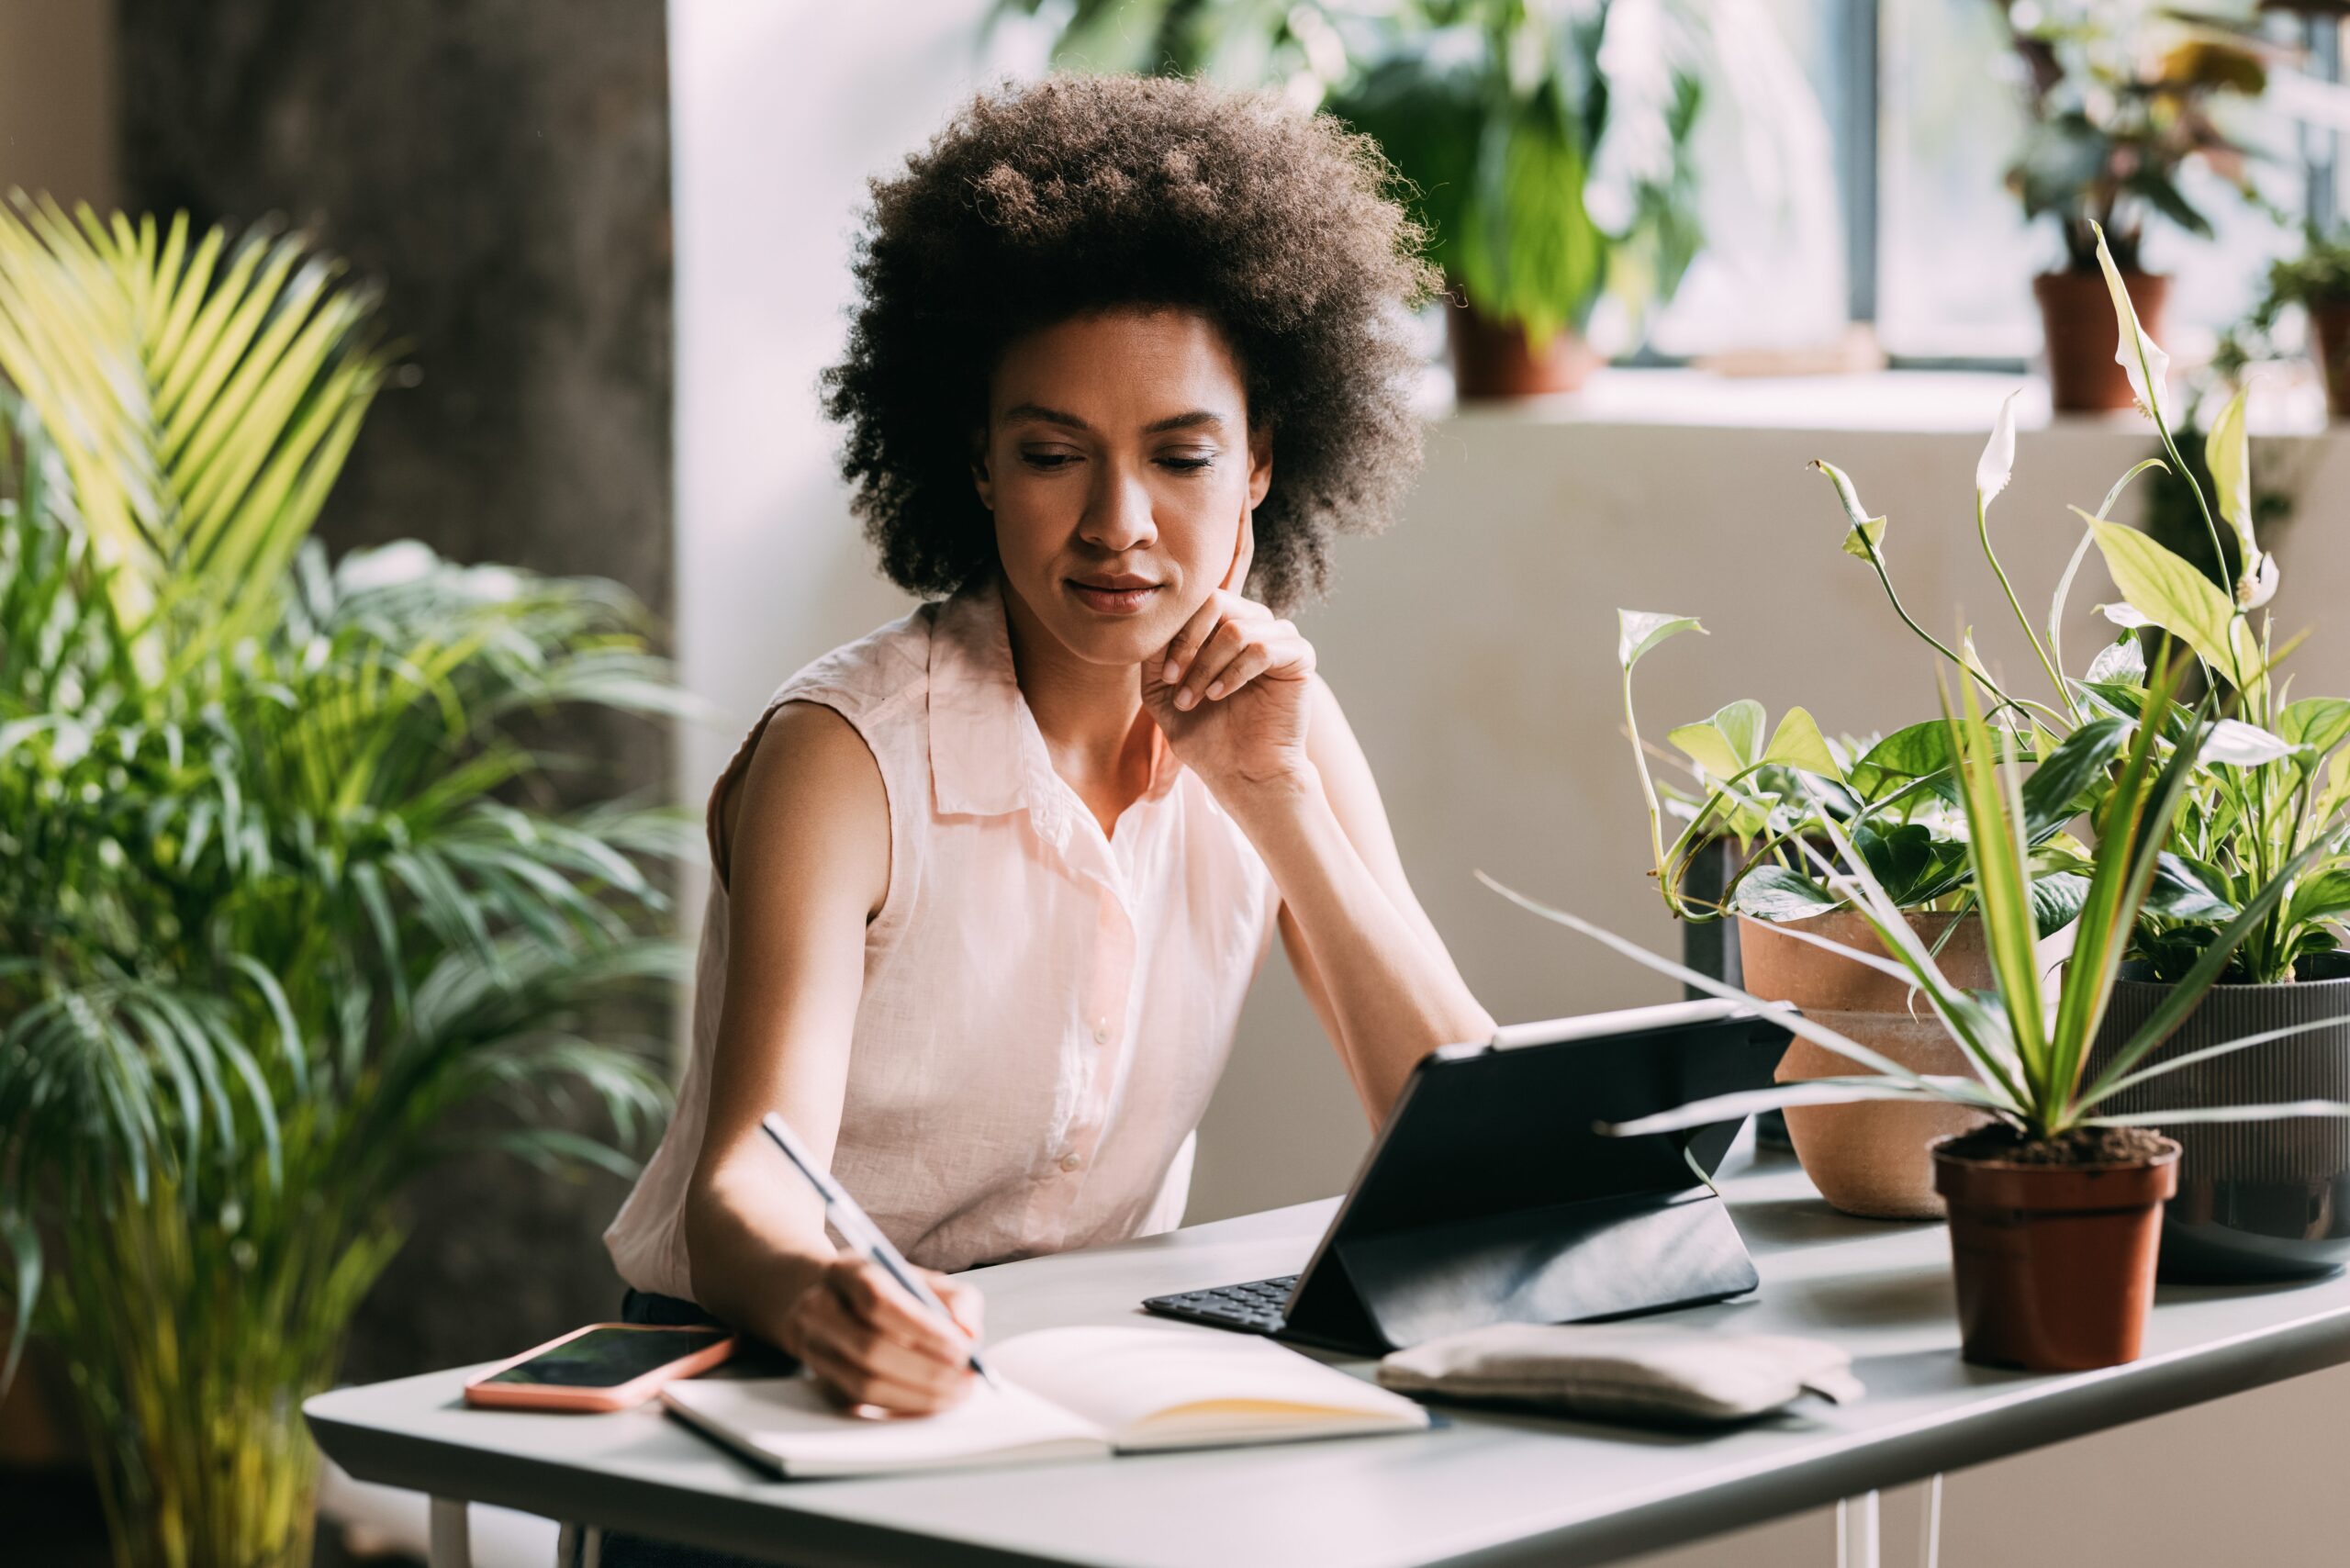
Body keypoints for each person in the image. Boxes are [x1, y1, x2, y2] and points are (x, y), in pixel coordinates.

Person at [601, 70, 1494, 1451]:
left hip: (1059, 1396)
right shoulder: (842, 761)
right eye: (1051, 454)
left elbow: (1471, 1145)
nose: (1116, 524)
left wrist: (1276, 804)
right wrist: (837, 1294)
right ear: (974, 461)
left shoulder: (1282, 729)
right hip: (760, 1391)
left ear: (1262, 460)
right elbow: (744, 1194)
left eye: (1182, 455)